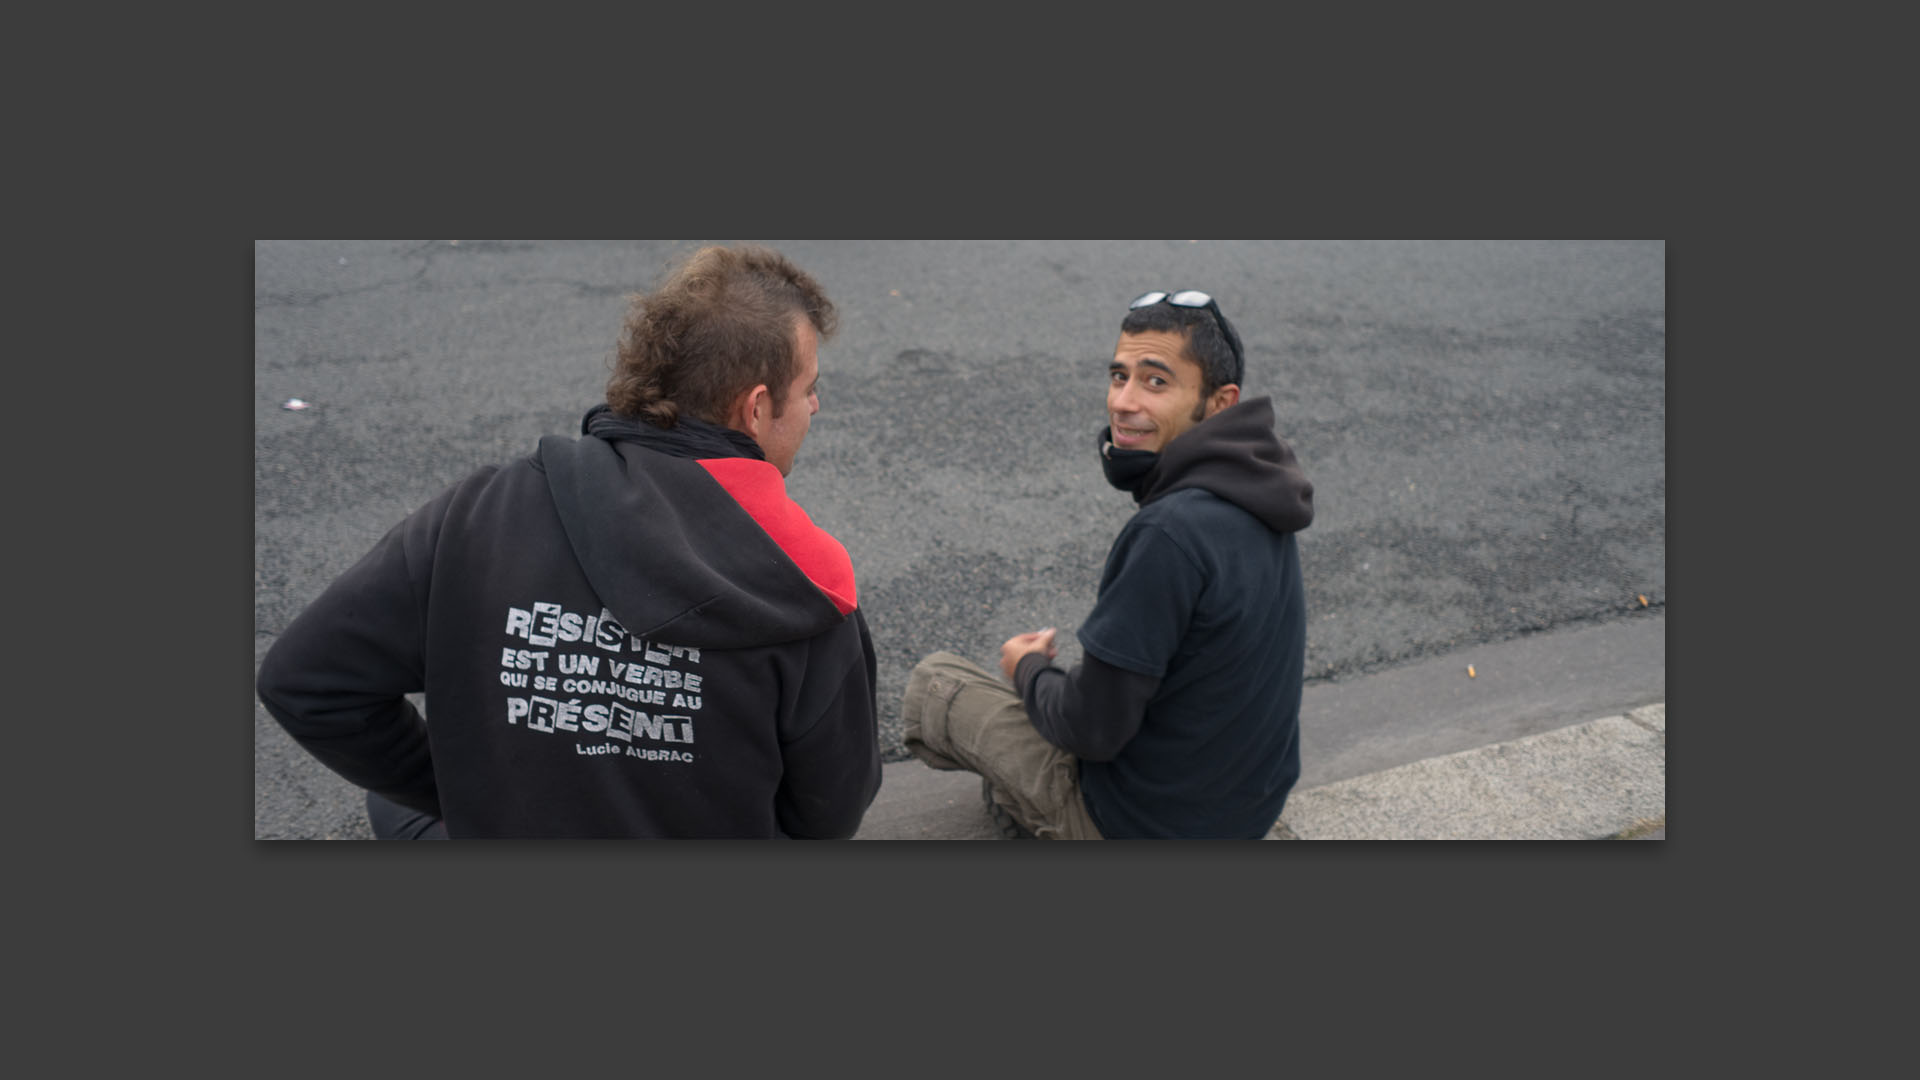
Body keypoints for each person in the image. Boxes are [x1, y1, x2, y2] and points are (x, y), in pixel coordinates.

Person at [256, 244, 882, 838]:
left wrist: (470, 798)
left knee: (391, 800)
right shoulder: (806, 585)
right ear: (755, 407)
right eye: (807, 389)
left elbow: (306, 681)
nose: (816, 406)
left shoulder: (477, 516)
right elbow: (829, 814)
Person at [902, 289, 1315, 839]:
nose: (1122, 401)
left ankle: (1029, 812)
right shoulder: (1260, 490)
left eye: (1156, 381)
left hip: (1141, 826)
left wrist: (1025, 668)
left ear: (1220, 403)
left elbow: (1092, 729)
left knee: (938, 683)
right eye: (1119, 376)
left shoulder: (1169, 533)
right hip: (1244, 811)